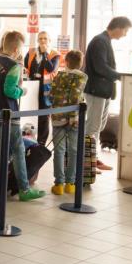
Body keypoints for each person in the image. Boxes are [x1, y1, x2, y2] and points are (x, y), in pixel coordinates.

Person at [0, 30, 46, 202]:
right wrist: (23, 91)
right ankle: (25, 190)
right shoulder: (14, 66)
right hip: (7, 112)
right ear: (17, 50)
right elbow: (9, 90)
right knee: (18, 149)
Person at [84, 16, 132, 171]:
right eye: (125, 30)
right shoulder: (100, 41)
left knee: (98, 126)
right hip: (96, 90)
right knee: (93, 127)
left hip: (103, 91)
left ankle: (92, 159)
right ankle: (87, 163)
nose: (125, 34)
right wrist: (120, 76)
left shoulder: (105, 41)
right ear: (118, 27)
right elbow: (100, 67)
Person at [49, 50, 88, 195]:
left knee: (59, 151)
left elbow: (51, 95)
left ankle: (58, 184)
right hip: (74, 118)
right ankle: (70, 184)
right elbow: (76, 96)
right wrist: (73, 117)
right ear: (81, 63)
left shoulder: (59, 75)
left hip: (57, 116)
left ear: (66, 62)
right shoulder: (82, 76)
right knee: (73, 150)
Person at [24, 31, 60, 148]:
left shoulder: (54, 55)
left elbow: (50, 69)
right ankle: (29, 142)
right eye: (40, 39)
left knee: (44, 118)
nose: (42, 41)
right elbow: (25, 67)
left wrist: (44, 54)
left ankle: (41, 145)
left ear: (49, 41)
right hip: (32, 88)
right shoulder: (30, 53)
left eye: (45, 39)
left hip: (46, 91)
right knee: (30, 116)